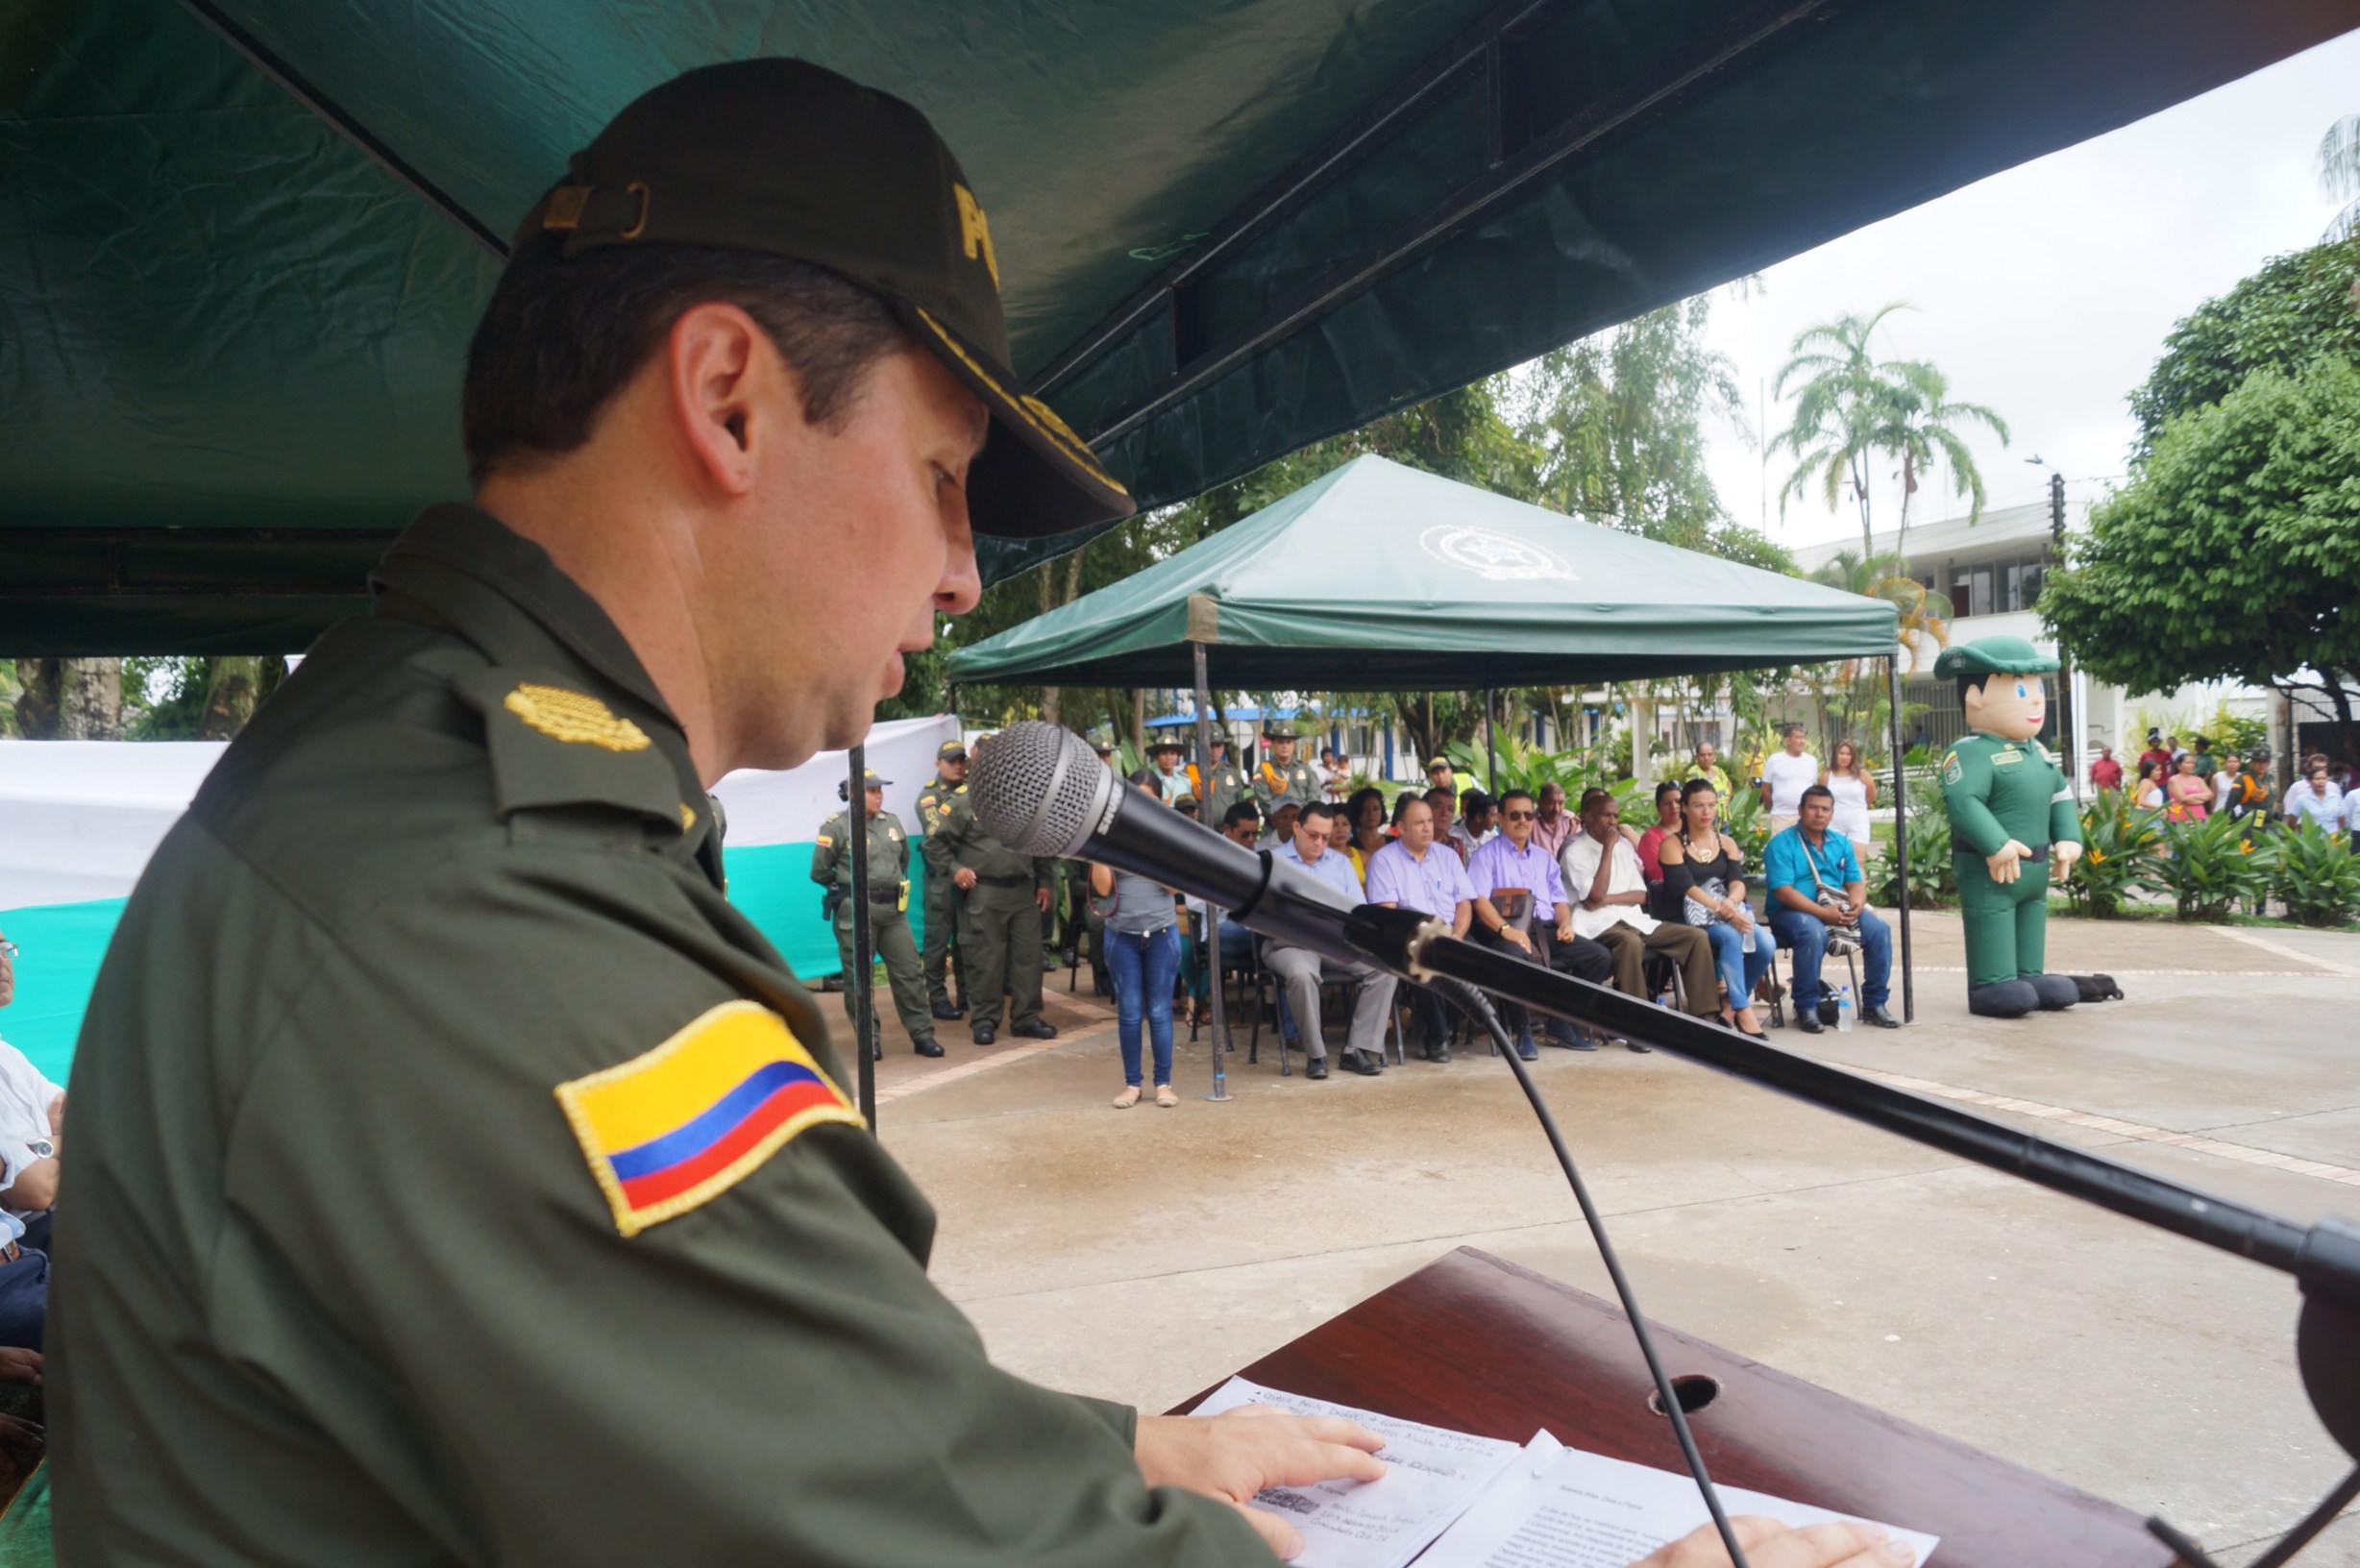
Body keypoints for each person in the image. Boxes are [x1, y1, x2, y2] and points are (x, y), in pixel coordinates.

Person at [56, 60, 1414, 1567]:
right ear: (729, 402)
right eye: (943, 476)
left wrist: (1117, 1447)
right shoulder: (484, 896)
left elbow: (774, 1411)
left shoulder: (413, 765)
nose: (963, 572)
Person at [1465, 790, 1615, 1058]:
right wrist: (1507, 931)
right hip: (1502, 932)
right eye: (1515, 815)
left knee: (1599, 956)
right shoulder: (1485, 856)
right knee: (1515, 958)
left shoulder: (1543, 858)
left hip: (1543, 930)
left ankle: (1561, 1023)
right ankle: (1522, 1030)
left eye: (1528, 814)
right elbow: (1479, 901)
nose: (1523, 820)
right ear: (1500, 818)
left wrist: (1566, 923)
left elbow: (1558, 900)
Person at [810, 768, 943, 1059]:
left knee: (909, 973)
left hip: (893, 912)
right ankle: (869, 1040)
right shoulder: (836, 827)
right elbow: (819, 870)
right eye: (872, 790)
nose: (879, 795)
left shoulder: (891, 823)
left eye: (880, 790)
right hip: (856, 911)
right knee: (860, 977)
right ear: (855, 794)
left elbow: (904, 858)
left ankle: (923, 1035)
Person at [1561, 789, 1716, 1034]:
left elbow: (1641, 895)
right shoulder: (1574, 852)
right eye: (1605, 816)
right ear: (1587, 817)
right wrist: (1608, 851)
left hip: (1633, 917)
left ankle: (1706, 1017)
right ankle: (1639, 1024)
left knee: (1696, 937)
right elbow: (1594, 896)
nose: (1613, 822)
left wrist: (1607, 898)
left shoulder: (1623, 849)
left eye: (1615, 816)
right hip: (1595, 923)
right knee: (1629, 942)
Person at [1265, 804, 1397, 1079]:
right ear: (1297, 828)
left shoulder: (1339, 862)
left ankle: (1357, 1050)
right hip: (1289, 942)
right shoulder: (1271, 860)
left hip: (1335, 941)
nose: (1320, 843)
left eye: (1325, 837)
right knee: (1302, 975)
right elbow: (1260, 913)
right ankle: (1316, 1054)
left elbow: (1358, 910)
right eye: (1314, 835)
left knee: (1385, 967)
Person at [936, 762, 1062, 1047]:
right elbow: (935, 844)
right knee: (986, 961)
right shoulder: (963, 802)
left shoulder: (1027, 801)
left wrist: (1043, 881)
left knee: (1029, 959)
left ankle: (1026, 1018)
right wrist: (955, 869)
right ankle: (984, 1021)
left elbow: (1039, 843)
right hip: (985, 892)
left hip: (1023, 891)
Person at [1765, 787, 1902, 1034]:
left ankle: (1875, 1003)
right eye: (1813, 807)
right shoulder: (1781, 844)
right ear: (1801, 810)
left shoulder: (1841, 843)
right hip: (1790, 913)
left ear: (1832, 813)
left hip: (1836, 909)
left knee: (1879, 929)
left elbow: (1855, 883)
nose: (1819, 814)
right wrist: (1822, 913)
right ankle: (1806, 1007)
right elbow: (1783, 891)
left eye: (1825, 809)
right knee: (1813, 933)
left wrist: (1857, 906)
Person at [1092, 779, 1184, 1109]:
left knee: (1160, 1011)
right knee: (1129, 1013)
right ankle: (1133, 1084)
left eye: (1149, 800)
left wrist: (1148, 851)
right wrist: (1100, 846)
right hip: (1122, 936)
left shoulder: (1168, 835)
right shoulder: (1113, 835)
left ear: (1160, 801)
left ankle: (1163, 1083)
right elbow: (1102, 889)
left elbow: (1174, 888)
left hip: (1161, 934)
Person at [1367, 795, 1478, 1056]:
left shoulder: (1448, 857)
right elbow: (1387, 914)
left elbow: (1464, 904)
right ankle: (1438, 1035)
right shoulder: (1384, 860)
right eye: (1419, 823)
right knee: (1426, 961)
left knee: (1480, 961)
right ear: (1401, 828)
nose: (1428, 827)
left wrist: (1458, 936)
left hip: (1451, 932)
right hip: (1409, 936)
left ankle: (1443, 1024)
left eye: (1429, 821)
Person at [1659, 781, 1770, 1038]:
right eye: (1698, 805)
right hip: (1687, 918)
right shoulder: (1672, 844)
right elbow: (1688, 888)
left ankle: (1730, 1005)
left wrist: (1731, 904)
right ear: (1684, 807)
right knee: (1731, 936)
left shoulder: (1726, 842)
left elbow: (1738, 883)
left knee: (1766, 942)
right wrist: (1726, 911)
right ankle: (1743, 1009)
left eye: (1711, 805)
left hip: (1724, 912)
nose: (1706, 812)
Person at [914, 740, 970, 1019]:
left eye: (961, 760)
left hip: (968, 878)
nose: (958, 765)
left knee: (966, 940)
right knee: (937, 943)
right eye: (951, 760)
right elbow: (942, 836)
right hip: (941, 881)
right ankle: (936, 998)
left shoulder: (970, 791)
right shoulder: (930, 797)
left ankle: (966, 995)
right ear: (939, 764)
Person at [1251, 724, 1322, 817]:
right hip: (1274, 825)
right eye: (1280, 742)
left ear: (1294, 745)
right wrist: (1284, 819)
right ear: (1273, 744)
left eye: (1288, 742)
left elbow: (1314, 796)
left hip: (1302, 824)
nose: (1285, 746)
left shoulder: (1305, 769)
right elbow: (1264, 802)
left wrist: (1301, 817)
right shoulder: (1263, 770)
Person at [1822, 739, 1877, 855]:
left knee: (1858, 861)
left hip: (1857, 820)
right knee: (1834, 861)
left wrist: (1860, 806)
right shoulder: (1827, 775)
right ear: (1835, 755)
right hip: (1833, 822)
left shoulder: (1861, 774)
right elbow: (1821, 798)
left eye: (1848, 754)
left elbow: (1872, 794)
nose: (1844, 757)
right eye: (1841, 753)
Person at [1759, 723, 1818, 833]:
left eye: (1804, 737)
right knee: (1782, 848)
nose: (1802, 741)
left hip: (1805, 815)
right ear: (1787, 741)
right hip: (1781, 816)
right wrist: (1773, 807)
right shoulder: (1774, 760)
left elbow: (1813, 788)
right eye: (1798, 738)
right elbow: (1765, 788)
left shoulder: (1811, 761)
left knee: (1804, 848)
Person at [1186, 736, 1247, 827]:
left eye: (1218, 746)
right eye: (1210, 746)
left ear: (1223, 747)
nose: (1214, 750)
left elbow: (1240, 803)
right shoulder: (1190, 772)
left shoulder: (1232, 772)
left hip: (1228, 831)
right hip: (1200, 830)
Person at [1635, 780, 1682, 886]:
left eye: (1678, 801)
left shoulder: (1694, 829)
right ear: (1658, 808)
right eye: (1667, 803)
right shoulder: (1650, 838)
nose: (1674, 806)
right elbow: (1658, 875)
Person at [1341, 786, 1390, 880]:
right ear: (1357, 812)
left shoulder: (1393, 842)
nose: (1371, 813)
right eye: (1365, 809)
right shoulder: (1351, 847)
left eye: (1376, 809)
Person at [2286, 763, 2345, 829]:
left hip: (2332, 837)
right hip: (2311, 837)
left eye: (2324, 778)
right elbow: (2292, 822)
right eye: (2317, 779)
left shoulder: (2336, 798)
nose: (2321, 782)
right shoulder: (2301, 799)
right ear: (2310, 781)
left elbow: (2342, 821)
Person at [1531, 779, 1577, 857]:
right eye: (1551, 803)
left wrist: (1570, 835)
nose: (1556, 809)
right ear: (1539, 802)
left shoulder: (1571, 820)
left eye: (1561, 803)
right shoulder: (1529, 822)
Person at [2164, 751, 2211, 822]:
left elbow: (2210, 795)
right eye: (2188, 763)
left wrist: (2192, 796)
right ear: (2179, 766)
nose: (2191, 765)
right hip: (2181, 817)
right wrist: (2201, 801)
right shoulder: (2174, 780)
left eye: (2193, 763)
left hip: (2200, 815)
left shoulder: (2199, 779)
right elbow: (2183, 799)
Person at [1451, 788, 1496, 854]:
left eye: (1467, 810)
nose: (1463, 815)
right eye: (1461, 809)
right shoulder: (1452, 836)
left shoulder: (1493, 837)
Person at [1145, 737, 1190, 804]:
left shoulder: (1185, 781)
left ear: (1177, 757)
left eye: (1172, 753)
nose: (1168, 757)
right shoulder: (1149, 781)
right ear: (1156, 757)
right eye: (1164, 753)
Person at [1426, 786, 1464, 861]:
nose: (1444, 813)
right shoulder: (1412, 843)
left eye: (1450, 809)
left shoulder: (1455, 845)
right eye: (1438, 807)